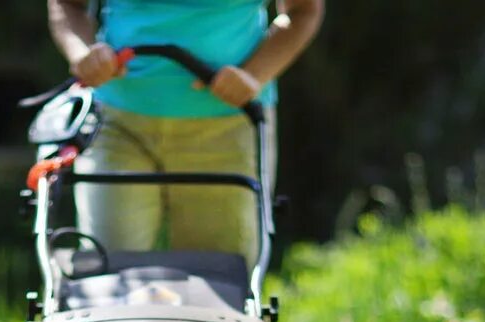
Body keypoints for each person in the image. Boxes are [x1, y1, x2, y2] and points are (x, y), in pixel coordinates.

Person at [47, 0, 324, 265]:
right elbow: (68, 3)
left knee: (223, 281)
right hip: (117, 125)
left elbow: (303, 10)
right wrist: (82, 53)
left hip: (229, 129)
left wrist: (254, 75)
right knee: (106, 273)